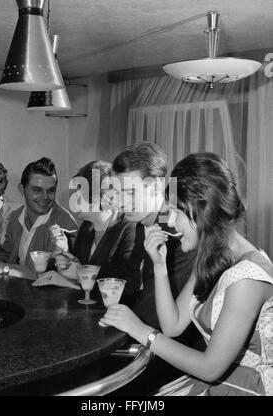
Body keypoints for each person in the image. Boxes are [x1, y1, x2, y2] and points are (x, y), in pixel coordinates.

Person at [100, 152, 273, 396]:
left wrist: (140, 330)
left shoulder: (247, 278)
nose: (171, 221)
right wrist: (159, 267)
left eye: (177, 212)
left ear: (200, 213)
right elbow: (173, 325)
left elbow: (211, 368)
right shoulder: (212, 258)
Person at [112, 142, 197, 329]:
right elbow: (133, 284)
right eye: (117, 193)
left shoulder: (176, 232)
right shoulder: (144, 223)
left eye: (129, 192)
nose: (121, 203)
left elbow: (159, 313)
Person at [35, 160, 143, 304]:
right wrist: (63, 253)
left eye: (78, 194)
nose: (73, 200)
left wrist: (79, 276)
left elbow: (128, 288)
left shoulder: (130, 229)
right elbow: (77, 274)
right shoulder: (87, 228)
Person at [0, 157, 77, 278]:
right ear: (22, 189)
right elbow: (7, 253)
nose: (45, 197)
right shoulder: (15, 216)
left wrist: (3, 268)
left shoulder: (64, 222)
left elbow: (46, 274)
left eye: (51, 190)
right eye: (37, 190)